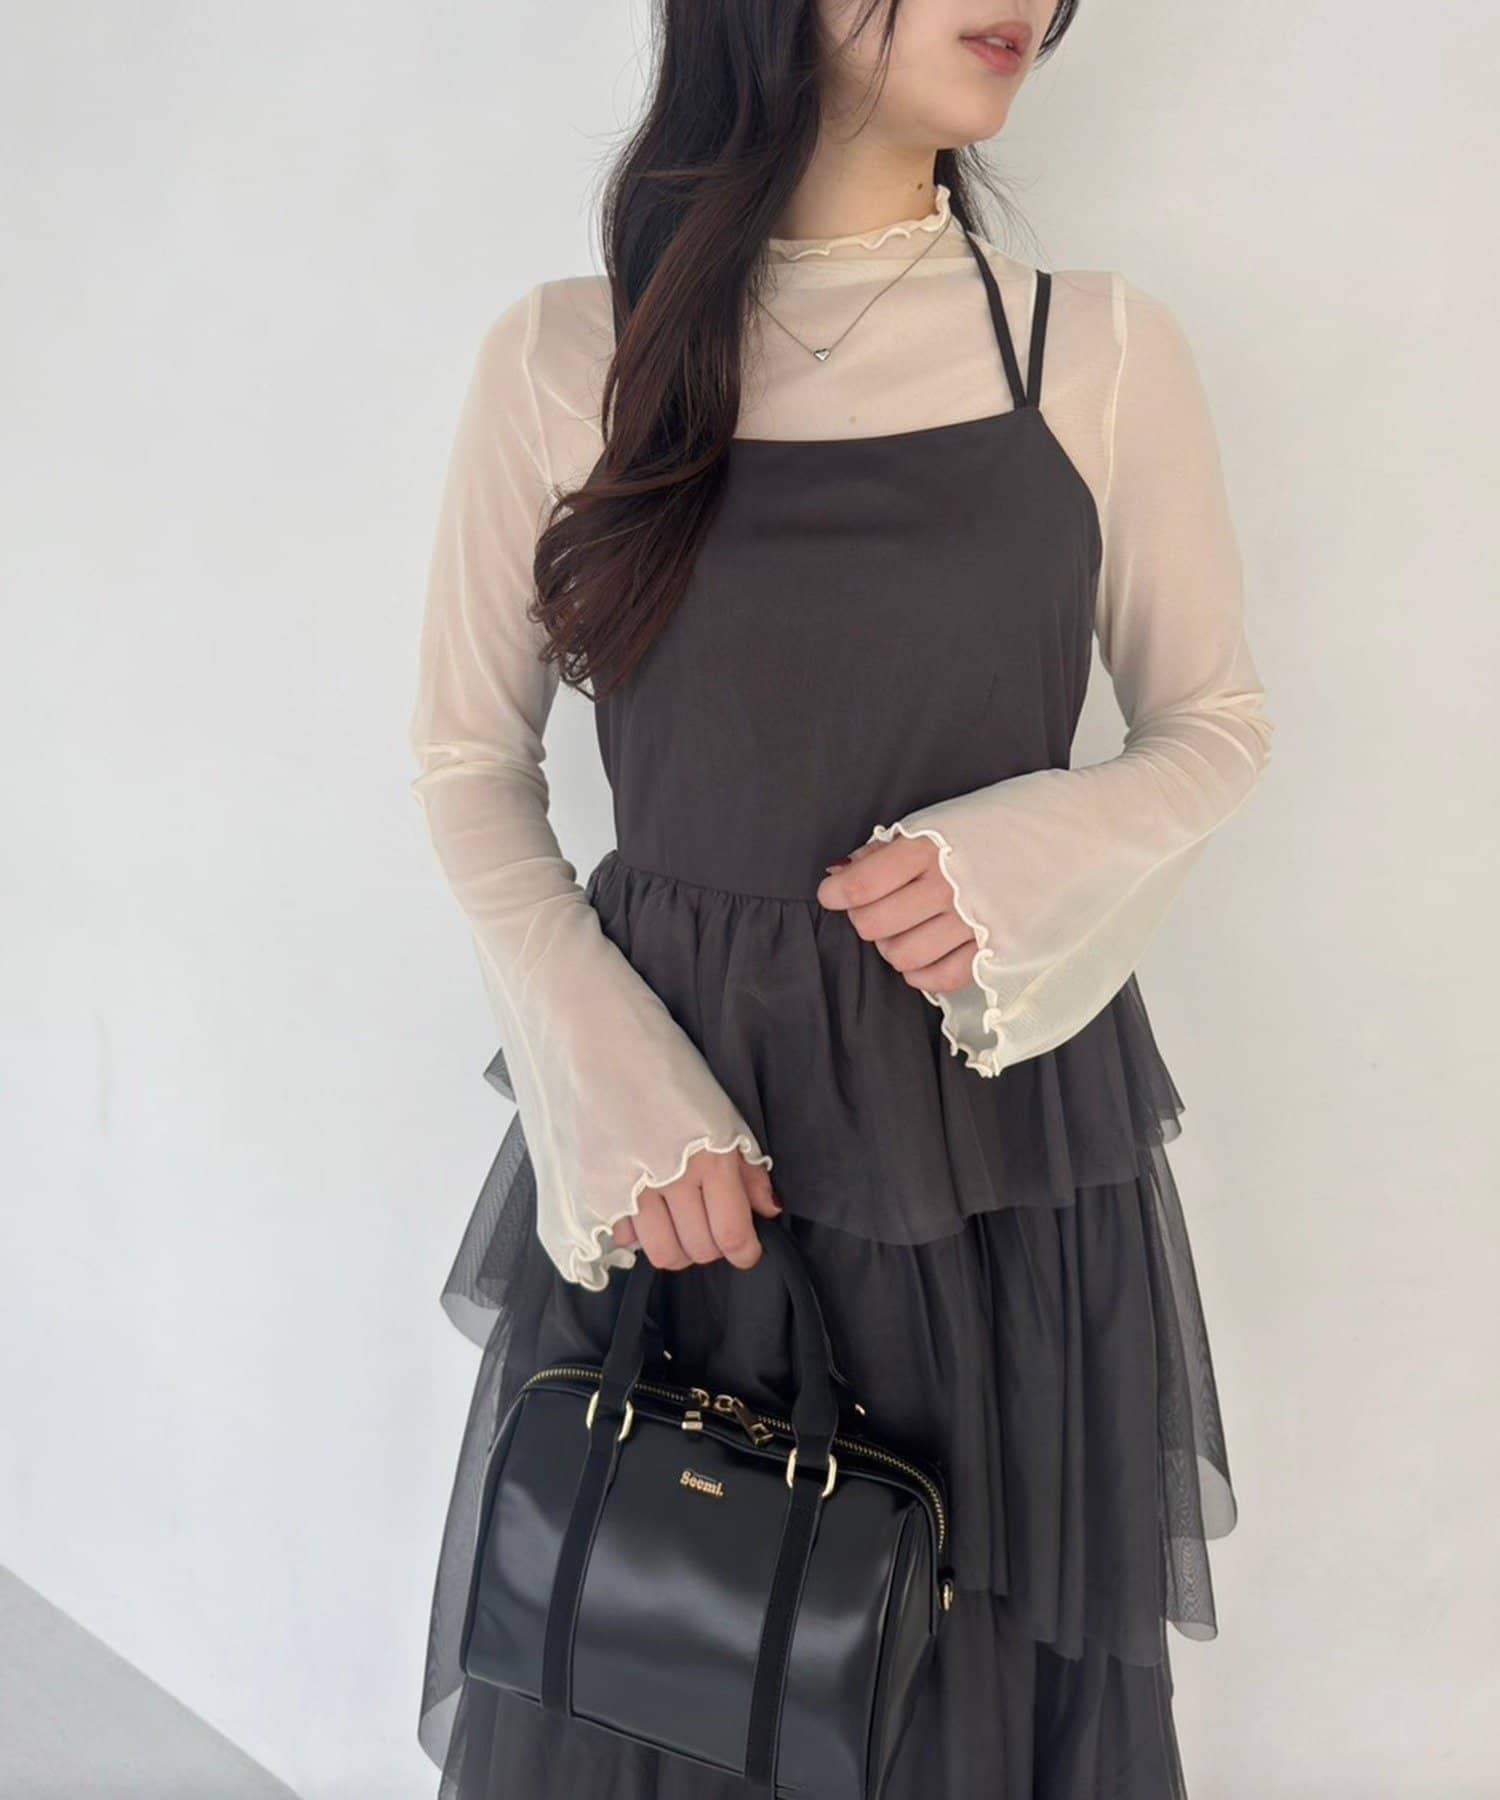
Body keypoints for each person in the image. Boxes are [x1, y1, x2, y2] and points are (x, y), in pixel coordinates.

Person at [406, 1, 1275, 1794]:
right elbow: (465, 764)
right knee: (657, 1663)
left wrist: (1041, 852)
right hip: (683, 1152)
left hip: (995, 1151)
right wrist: (606, 1079)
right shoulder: (572, 355)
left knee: (962, 1694)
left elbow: (1213, 727)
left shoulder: (1092, 348)